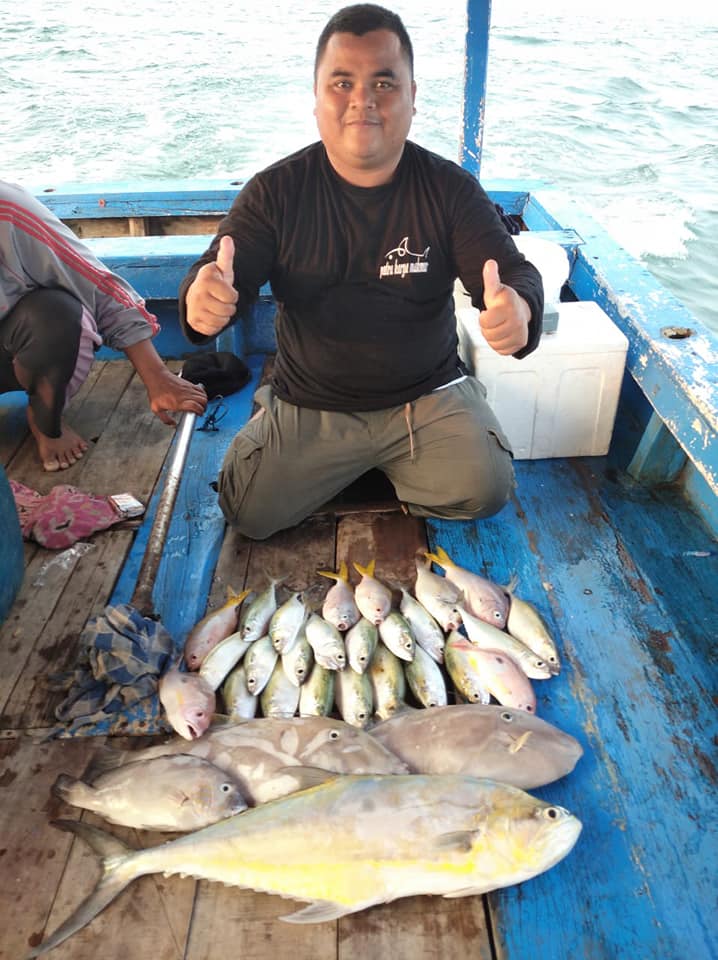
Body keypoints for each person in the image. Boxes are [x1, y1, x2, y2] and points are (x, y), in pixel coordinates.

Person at [179, 3, 544, 540]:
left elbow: (513, 271)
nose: (362, 102)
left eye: (384, 82)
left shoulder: (450, 190)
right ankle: (293, 429)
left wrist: (522, 308)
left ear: (412, 97)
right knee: (248, 512)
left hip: (427, 397)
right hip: (313, 401)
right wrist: (199, 298)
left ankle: (383, 464)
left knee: (486, 488)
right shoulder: (275, 191)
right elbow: (217, 269)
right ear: (317, 97)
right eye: (342, 82)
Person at [0, 180, 207, 472]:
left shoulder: (6, 209)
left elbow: (97, 287)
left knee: (59, 315)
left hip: (10, 345)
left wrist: (157, 376)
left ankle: (46, 419)